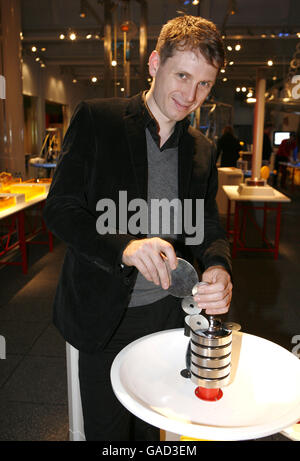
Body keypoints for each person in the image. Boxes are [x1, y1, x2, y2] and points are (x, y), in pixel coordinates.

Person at [43, 15, 232, 441]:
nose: (190, 95)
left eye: (204, 85)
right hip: (105, 315)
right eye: (182, 75)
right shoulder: (98, 119)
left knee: (154, 431)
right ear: (154, 64)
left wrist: (218, 266)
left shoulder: (200, 149)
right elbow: (60, 209)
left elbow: (207, 223)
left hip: (169, 317)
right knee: (109, 436)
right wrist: (124, 247)